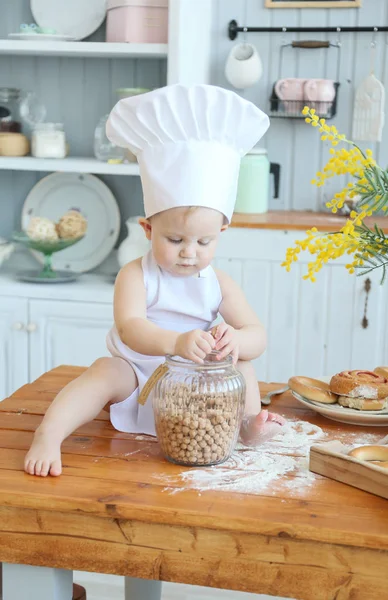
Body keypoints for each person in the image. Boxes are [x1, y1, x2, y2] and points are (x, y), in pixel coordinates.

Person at [24, 84, 285, 477]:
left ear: (222, 232)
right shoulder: (136, 275)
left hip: (195, 388)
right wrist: (176, 343)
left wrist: (237, 340)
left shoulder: (219, 282)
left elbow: (258, 335)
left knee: (243, 367)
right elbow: (131, 330)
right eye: (175, 239)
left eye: (204, 241)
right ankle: (50, 432)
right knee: (103, 370)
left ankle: (248, 424)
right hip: (139, 375)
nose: (189, 252)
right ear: (147, 229)